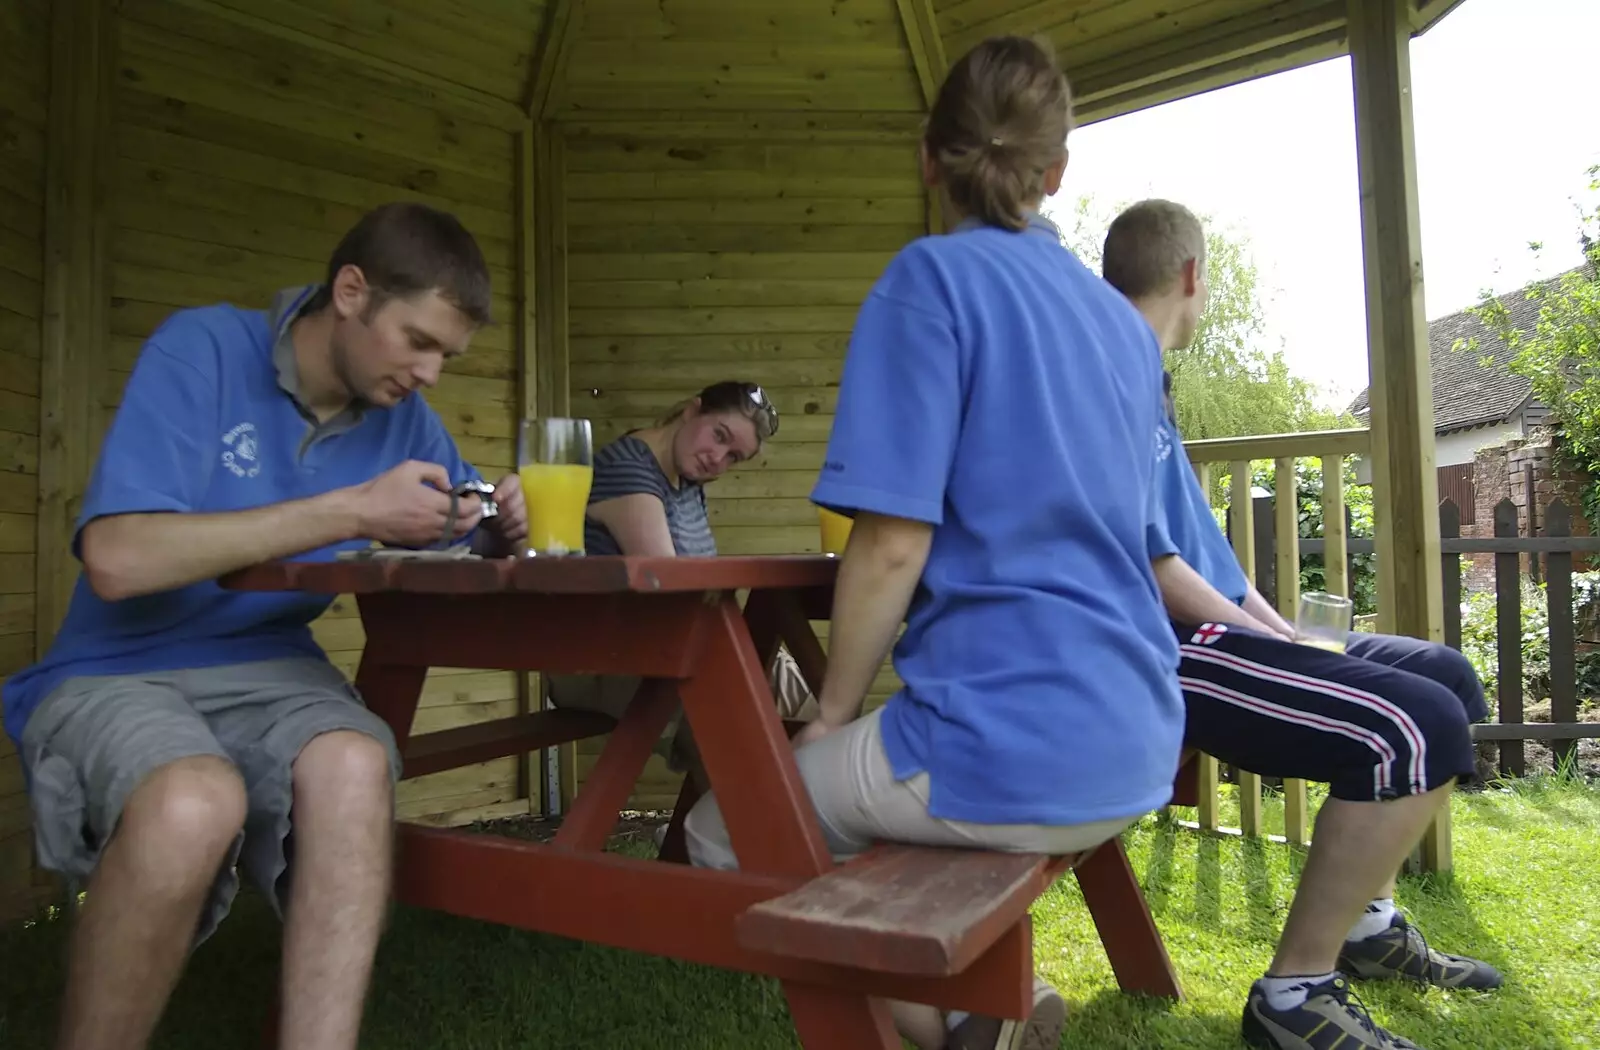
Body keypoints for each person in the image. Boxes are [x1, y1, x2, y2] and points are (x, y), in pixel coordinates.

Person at [683, 36, 1199, 1050]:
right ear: (1056, 174)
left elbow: (885, 548)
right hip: (1140, 733)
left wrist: (830, 711)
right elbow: (1142, 544)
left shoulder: (931, 281)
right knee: (859, 795)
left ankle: (960, 1019)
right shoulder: (1120, 327)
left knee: (722, 823)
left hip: (1008, 750)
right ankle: (972, 989)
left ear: (929, 159)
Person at [2, 201, 530, 1050]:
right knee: (191, 802)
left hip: (276, 668)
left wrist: (496, 523)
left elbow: (456, 511)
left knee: (355, 765)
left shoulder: (403, 417)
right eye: (419, 341)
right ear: (351, 291)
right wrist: (350, 508)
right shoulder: (204, 348)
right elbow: (117, 559)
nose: (431, 373)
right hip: (117, 666)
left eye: (448, 355)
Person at [1100, 198, 1500, 1050]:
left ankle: (1368, 927)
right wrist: (1272, 647)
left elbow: (1214, 566)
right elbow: (1149, 567)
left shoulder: (1150, 385)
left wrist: (1288, 636)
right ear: (1193, 277)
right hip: (1164, 650)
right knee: (1415, 726)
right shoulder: (1108, 372)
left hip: (1218, 630)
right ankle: (1291, 998)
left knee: (1446, 680)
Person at [547, 381, 817, 775]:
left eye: (733, 457)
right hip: (599, 661)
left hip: (664, 650)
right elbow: (672, 594)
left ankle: (770, 822)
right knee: (734, 702)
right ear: (691, 411)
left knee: (799, 691)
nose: (717, 459)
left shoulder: (687, 479)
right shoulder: (630, 469)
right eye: (719, 436)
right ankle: (752, 827)